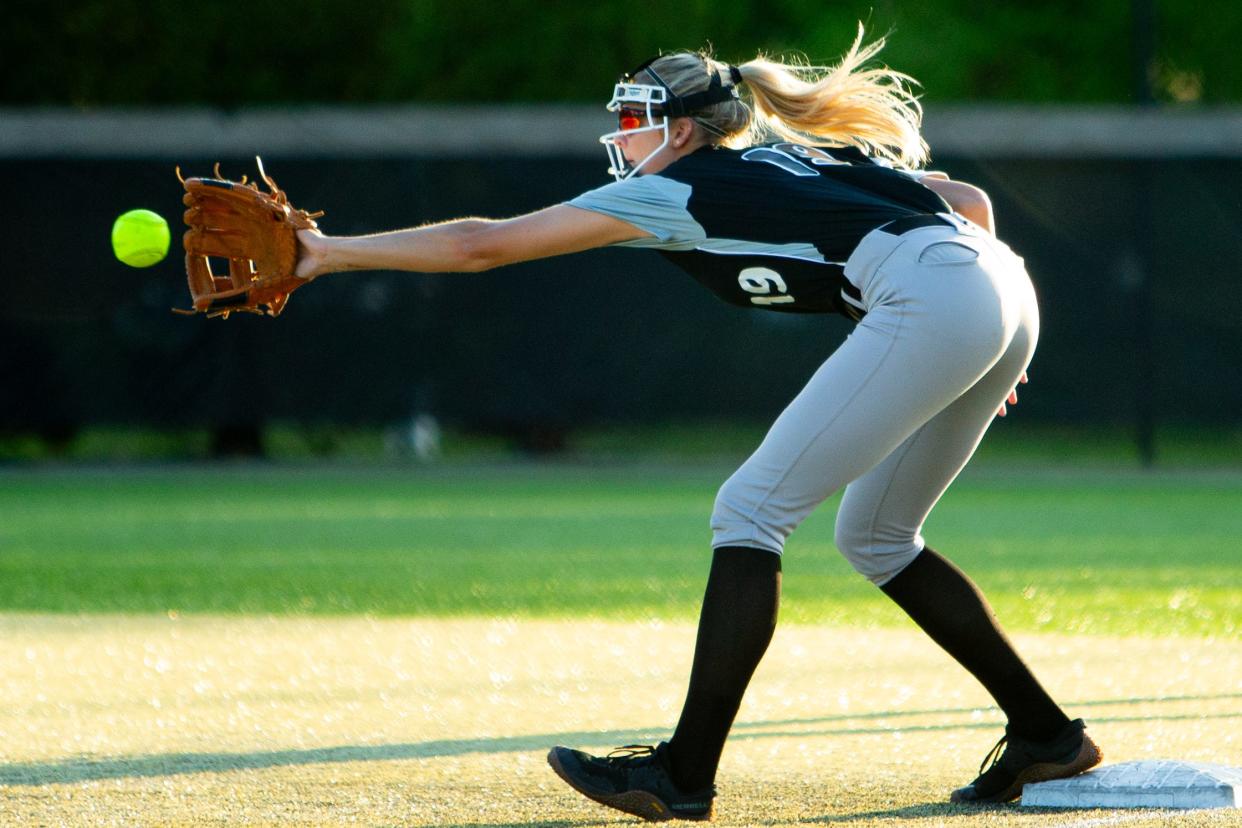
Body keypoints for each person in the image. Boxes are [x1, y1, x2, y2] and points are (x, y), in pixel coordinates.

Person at [295, 26, 1102, 821]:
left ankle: (683, 773)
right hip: (997, 284)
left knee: (750, 514)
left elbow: (482, 246)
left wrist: (327, 252)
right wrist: (990, 336)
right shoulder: (790, 157)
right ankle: (1046, 737)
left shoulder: (668, 185)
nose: (621, 132)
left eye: (636, 116)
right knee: (877, 540)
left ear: (682, 129)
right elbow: (969, 202)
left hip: (944, 293)